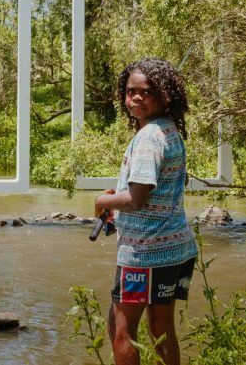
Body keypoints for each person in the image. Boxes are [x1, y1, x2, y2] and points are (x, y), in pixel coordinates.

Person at [94, 58, 197, 365]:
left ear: (165, 96)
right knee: (161, 329)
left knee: (121, 329)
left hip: (144, 254)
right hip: (175, 250)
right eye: (130, 91)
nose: (136, 98)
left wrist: (102, 202)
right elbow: (164, 189)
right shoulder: (168, 131)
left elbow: (137, 199)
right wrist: (118, 202)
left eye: (146, 92)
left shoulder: (149, 138)